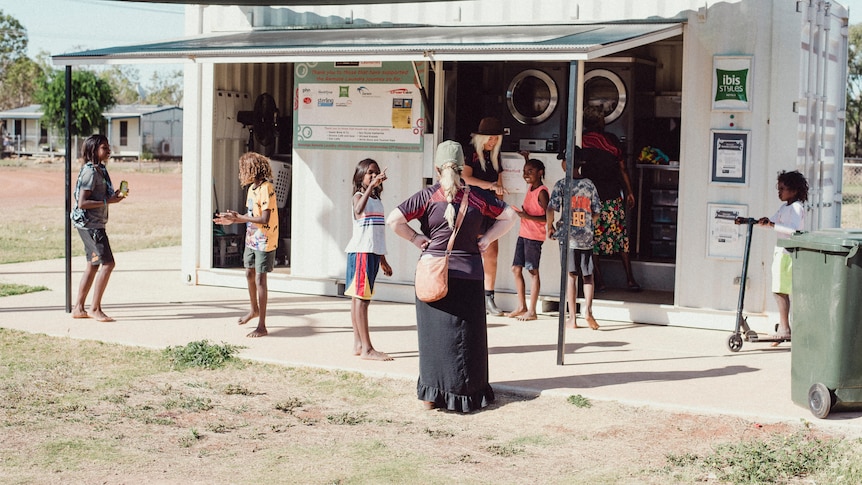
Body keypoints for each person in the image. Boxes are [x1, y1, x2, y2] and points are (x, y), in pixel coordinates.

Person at [387, 140, 517, 412]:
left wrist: (416, 238)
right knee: (468, 338)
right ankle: (469, 394)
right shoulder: (479, 197)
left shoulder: (426, 196)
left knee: (433, 338)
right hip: (469, 273)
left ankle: (430, 396)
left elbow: (393, 220)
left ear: (436, 168)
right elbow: (509, 215)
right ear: (462, 167)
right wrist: (487, 239)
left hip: (432, 273)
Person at [213, 152, 279, 338]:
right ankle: (254, 310)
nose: (241, 173)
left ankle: (262, 325)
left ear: (253, 169)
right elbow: (251, 214)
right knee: (249, 273)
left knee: (260, 279)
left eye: (244, 169)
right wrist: (232, 220)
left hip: (265, 239)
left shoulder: (266, 188)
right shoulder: (252, 189)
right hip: (252, 238)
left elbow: (264, 218)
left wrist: (239, 218)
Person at [579, 105, 641, 292]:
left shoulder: (580, 141)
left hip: (589, 198)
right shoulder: (611, 140)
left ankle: (600, 281)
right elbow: (622, 168)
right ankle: (630, 279)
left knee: (594, 240)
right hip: (612, 196)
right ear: (600, 122)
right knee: (621, 238)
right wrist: (629, 191)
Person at [71, 134, 127, 322]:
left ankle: (79, 308)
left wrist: (114, 196)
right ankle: (95, 308)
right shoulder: (90, 172)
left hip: (93, 224)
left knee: (93, 264)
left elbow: (103, 196)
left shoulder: (100, 169)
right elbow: (82, 202)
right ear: (93, 150)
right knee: (108, 263)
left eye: (108, 146)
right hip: (91, 226)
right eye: (104, 147)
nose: (108, 150)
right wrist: (107, 201)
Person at [344, 158, 394, 361]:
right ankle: (367, 348)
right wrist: (370, 187)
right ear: (360, 176)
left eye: (376, 172)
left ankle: (358, 343)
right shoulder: (358, 196)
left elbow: (376, 233)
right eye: (370, 173)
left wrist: (383, 259)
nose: (374, 176)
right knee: (362, 301)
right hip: (362, 253)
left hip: (371, 252)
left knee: (359, 299)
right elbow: (358, 211)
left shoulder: (376, 199)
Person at [546, 150, 602, 330]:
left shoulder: (562, 185)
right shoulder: (589, 184)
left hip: (568, 237)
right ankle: (589, 311)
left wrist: (550, 226)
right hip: (586, 237)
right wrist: (588, 225)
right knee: (588, 276)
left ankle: (572, 318)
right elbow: (597, 211)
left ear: (565, 163)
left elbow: (551, 208)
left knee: (571, 277)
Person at [462, 116, 508, 315]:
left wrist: (499, 190)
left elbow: (499, 177)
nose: (493, 142)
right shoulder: (470, 152)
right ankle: (470, 296)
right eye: (490, 138)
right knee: (469, 251)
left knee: (491, 252)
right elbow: (466, 177)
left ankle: (489, 296)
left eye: (496, 138)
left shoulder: (495, 154)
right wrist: (490, 186)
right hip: (472, 204)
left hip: (490, 206)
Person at [755, 170, 808, 346]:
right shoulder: (784, 207)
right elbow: (772, 224)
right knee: (779, 290)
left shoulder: (796, 207)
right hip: (781, 251)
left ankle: (785, 329)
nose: (779, 192)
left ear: (794, 190)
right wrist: (759, 222)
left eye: (782, 189)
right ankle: (785, 327)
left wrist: (773, 224)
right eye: (778, 188)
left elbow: (794, 231)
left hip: (787, 252)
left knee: (780, 290)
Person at [506, 158, 549, 321]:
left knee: (532, 271)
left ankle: (532, 311)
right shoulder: (531, 187)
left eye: (530, 172)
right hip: (523, 234)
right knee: (516, 269)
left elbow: (547, 217)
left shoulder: (542, 192)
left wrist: (527, 216)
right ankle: (522, 306)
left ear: (540, 173)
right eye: (524, 171)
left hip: (534, 237)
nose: (526, 175)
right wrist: (526, 157)